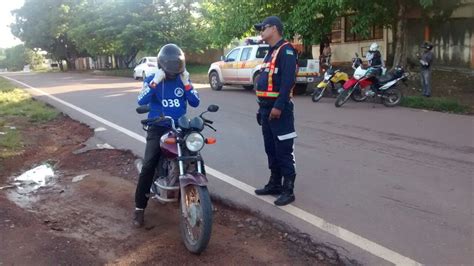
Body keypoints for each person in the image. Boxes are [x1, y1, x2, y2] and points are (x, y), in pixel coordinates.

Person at [133, 44, 200, 227]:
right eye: (170, 69)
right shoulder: (153, 78)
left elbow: (195, 101)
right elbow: (142, 100)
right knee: (148, 165)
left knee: (195, 156)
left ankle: (201, 197)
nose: (173, 73)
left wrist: (186, 83)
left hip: (180, 127)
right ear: (163, 66)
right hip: (158, 126)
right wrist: (155, 81)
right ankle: (139, 208)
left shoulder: (183, 79)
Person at [253, 16, 298, 206]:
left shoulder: (286, 50)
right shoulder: (270, 52)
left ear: (274, 28)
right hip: (266, 109)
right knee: (270, 148)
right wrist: (261, 108)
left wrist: (278, 106)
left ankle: (288, 189)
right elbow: (266, 83)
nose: (261, 31)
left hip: (279, 110)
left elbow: (287, 82)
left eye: (263, 28)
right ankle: (275, 184)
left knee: (283, 150)